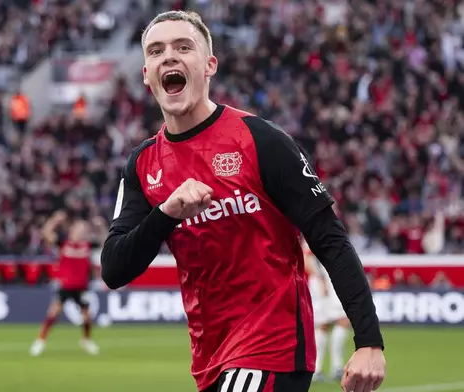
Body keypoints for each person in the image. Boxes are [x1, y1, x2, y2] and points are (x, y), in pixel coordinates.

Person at [100, 10, 386, 392]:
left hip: (273, 344)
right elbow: (114, 268)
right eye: (156, 51)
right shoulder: (142, 164)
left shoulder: (260, 140)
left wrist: (369, 341)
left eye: (184, 47)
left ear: (209, 65)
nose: (168, 56)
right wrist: (166, 213)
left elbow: (329, 238)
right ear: (146, 74)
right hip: (210, 357)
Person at [30, 211, 106, 356]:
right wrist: (55, 220)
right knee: (53, 313)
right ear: (72, 230)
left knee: (87, 317)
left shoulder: (87, 245)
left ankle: (86, 340)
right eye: (79, 229)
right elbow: (46, 233)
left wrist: (101, 227)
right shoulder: (63, 243)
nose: (81, 232)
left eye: (84, 230)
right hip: (65, 286)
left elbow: (106, 241)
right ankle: (40, 341)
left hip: (81, 287)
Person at [302, 238, 351, 382]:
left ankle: (333, 367)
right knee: (328, 324)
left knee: (335, 322)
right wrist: (319, 277)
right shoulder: (314, 230)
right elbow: (306, 258)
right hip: (322, 282)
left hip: (329, 280)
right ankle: (319, 368)